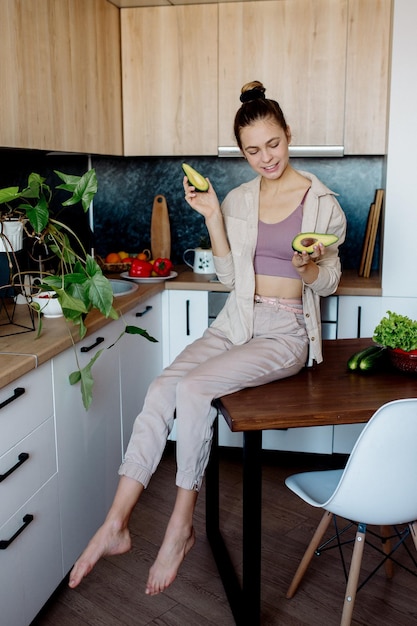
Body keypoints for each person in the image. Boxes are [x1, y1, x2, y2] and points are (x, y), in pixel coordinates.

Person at [68, 80, 346, 596]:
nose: (266, 158)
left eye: (274, 144)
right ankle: (115, 523)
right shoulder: (239, 198)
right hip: (236, 320)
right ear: (242, 152)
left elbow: (328, 281)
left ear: (289, 134)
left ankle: (181, 525)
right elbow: (227, 279)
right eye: (253, 151)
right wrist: (214, 216)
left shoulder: (323, 203)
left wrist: (308, 266)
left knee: (195, 390)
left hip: (284, 330)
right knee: (161, 390)